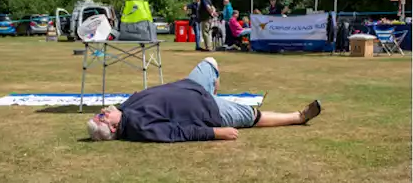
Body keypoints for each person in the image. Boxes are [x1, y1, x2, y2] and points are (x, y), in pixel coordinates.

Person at [86, 57, 319, 142]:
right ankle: (298, 117)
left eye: (100, 114)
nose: (103, 111)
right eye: (102, 117)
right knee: (253, 115)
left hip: (192, 86)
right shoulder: (140, 128)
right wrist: (217, 132)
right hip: (209, 111)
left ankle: (213, 92)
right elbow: (179, 133)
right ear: (114, 127)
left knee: (210, 62)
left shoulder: (125, 109)